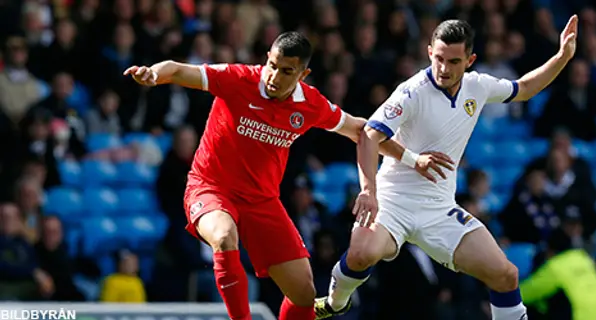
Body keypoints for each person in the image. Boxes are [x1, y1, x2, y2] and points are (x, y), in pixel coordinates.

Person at [124, 32, 440, 320]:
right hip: (211, 188)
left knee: (303, 295)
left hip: (262, 201)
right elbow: (180, 70)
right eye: (272, 65)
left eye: (286, 71)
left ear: (303, 75)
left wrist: (412, 158)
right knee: (222, 236)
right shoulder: (238, 79)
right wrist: (154, 74)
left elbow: (362, 131)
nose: (274, 76)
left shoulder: (310, 104)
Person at [315, 16, 578, 320]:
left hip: (438, 208)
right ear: (429, 53)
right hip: (392, 201)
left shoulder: (478, 86)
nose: (443, 68)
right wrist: (368, 191)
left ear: (470, 60)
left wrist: (562, 57)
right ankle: (335, 303)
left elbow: (525, 89)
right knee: (362, 254)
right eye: (439, 58)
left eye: (453, 61)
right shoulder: (411, 92)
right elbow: (369, 136)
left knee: (506, 274)